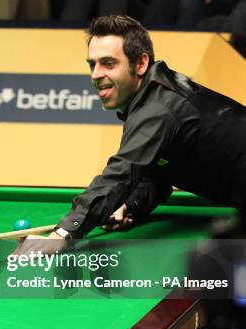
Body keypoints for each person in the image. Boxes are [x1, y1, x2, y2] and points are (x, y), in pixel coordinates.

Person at [14, 15, 246, 255]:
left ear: (141, 64)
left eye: (108, 63)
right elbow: (158, 173)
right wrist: (130, 204)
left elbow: (121, 173)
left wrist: (62, 233)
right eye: (92, 64)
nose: (95, 74)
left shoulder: (157, 108)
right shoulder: (153, 98)